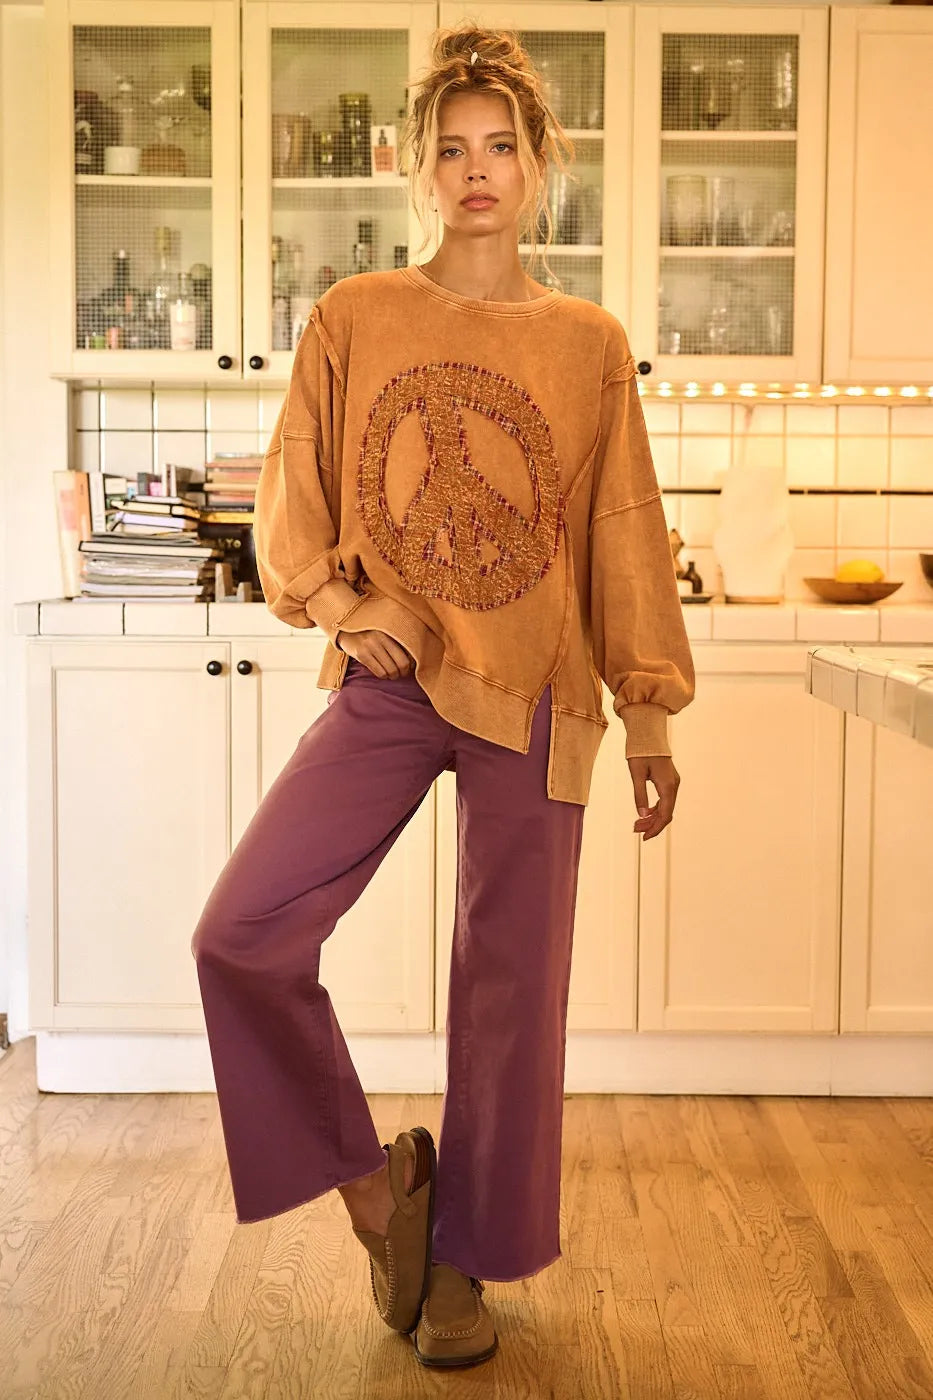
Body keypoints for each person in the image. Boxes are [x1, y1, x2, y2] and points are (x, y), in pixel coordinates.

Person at [192, 23, 695, 1371]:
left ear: (538, 166)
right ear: (418, 170)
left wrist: (648, 709)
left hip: (538, 693)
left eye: (501, 147)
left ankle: (459, 1265)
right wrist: (342, 607)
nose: (477, 170)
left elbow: (622, 533)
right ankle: (383, 1205)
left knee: (511, 996)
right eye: (452, 149)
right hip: (397, 678)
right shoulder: (356, 314)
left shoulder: (587, 342)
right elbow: (296, 488)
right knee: (241, 933)